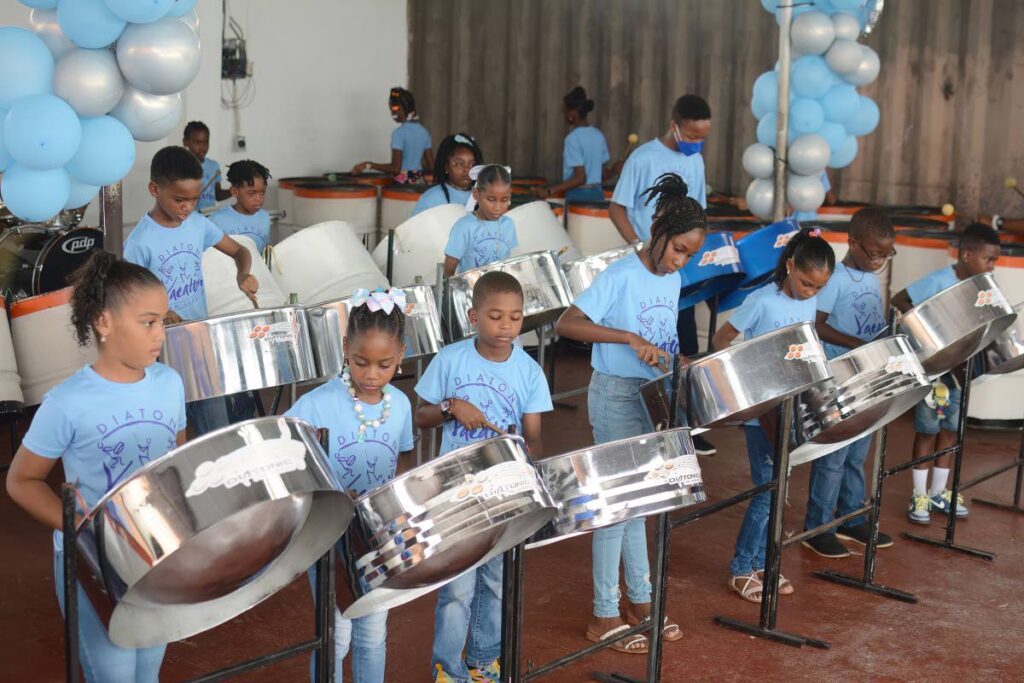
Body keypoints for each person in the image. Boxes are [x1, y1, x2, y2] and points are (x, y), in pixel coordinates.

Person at [6, 252, 187, 683]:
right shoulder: (67, 402)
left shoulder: (170, 384)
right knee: (114, 673)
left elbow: (176, 460)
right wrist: (82, 528)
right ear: (104, 322)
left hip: (155, 555)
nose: (160, 334)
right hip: (92, 560)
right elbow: (21, 481)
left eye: (163, 320)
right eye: (148, 322)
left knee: (148, 671)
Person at [556, 173, 706, 653]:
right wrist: (627, 338)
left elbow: (664, 337)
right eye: (678, 249)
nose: (681, 261)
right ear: (658, 231)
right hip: (616, 395)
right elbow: (568, 323)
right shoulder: (621, 274)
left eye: (689, 254)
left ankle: (640, 602)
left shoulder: (674, 278)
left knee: (642, 504)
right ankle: (604, 613)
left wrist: (676, 360)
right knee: (616, 506)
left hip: (652, 397)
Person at [415, 271, 552, 683]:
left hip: (501, 490)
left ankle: (483, 660)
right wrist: (451, 407)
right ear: (474, 316)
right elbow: (419, 418)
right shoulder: (451, 359)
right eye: (495, 316)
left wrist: (523, 450)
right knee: (457, 587)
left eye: (515, 317)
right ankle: (447, 668)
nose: (507, 326)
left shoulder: (529, 371)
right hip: (454, 491)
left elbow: (534, 439)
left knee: (494, 582)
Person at [286, 288, 414, 683]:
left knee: (373, 636)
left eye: (384, 364)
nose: (371, 374)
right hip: (330, 537)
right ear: (345, 348)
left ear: (401, 356)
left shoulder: (401, 405)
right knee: (335, 637)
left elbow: (406, 459)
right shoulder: (316, 404)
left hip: (378, 538)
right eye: (360, 362)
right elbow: (285, 455)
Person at [712, 228, 835, 603]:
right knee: (767, 492)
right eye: (805, 283)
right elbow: (721, 339)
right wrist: (747, 375)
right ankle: (741, 569)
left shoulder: (807, 304)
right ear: (791, 265)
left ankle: (764, 564)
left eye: (817, 288)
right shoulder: (761, 300)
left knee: (779, 492)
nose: (810, 292)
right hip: (762, 411)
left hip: (792, 407)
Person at [124, 145, 259, 435]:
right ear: (154, 189)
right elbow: (130, 305)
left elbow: (239, 252)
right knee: (173, 438)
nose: (187, 207)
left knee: (218, 431)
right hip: (161, 355)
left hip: (200, 346)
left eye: (194, 199)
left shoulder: (197, 224)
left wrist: (243, 273)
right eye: (179, 200)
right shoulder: (139, 243)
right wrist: (158, 314)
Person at [610, 94, 713, 455]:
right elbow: (617, 207)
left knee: (684, 343)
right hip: (648, 263)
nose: (697, 142)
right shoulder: (643, 158)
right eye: (692, 134)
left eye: (703, 136)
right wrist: (640, 246)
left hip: (676, 269)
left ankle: (687, 424)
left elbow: (697, 211)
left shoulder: (696, 160)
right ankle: (655, 420)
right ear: (674, 125)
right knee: (648, 340)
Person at [891, 223, 1002, 524]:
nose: (992, 267)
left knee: (951, 431)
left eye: (995, 261)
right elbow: (900, 299)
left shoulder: (983, 288)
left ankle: (939, 492)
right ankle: (919, 494)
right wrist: (928, 332)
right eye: (988, 259)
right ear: (967, 255)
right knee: (927, 431)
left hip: (960, 371)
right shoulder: (940, 280)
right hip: (937, 370)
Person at [802, 208, 896, 557]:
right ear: (853, 243)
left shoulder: (872, 278)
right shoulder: (835, 277)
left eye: (887, 255)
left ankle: (850, 518)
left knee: (858, 453)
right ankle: (818, 525)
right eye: (875, 253)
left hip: (867, 375)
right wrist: (859, 345)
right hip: (840, 375)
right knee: (834, 454)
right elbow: (817, 325)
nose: (879, 261)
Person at [533, 86, 610, 204]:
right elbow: (603, 175)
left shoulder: (572, 139)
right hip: (598, 194)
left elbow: (580, 178)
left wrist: (548, 191)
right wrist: (615, 170)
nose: (563, 115)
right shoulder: (598, 135)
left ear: (572, 114)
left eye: (564, 112)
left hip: (578, 196)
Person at [442, 164, 516, 277]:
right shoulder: (464, 226)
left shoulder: (508, 224)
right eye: (491, 199)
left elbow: (510, 263)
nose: (497, 207)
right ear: (476, 195)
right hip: (472, 292)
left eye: (504, 199)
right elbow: (449, 269)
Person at [353, 87, 433, 184]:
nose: (392, 113)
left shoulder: (399, 133)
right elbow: (431, 167)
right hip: (420, 182)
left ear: (400, 109)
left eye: (393, 110)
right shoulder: (424, 132)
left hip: (402, 185)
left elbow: (395, 168)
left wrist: (368, 165)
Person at [209, 159, 273, 254]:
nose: (258, 199)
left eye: (262, 193)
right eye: (251, 194)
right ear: (235, 191)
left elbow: (265, 252)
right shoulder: (216, 220)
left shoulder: (265, 218)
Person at [411, 133, 483, 216]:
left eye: (472, 164)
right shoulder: (431, 198)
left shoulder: (482, 196)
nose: (467, 169)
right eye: (459, 163)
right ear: (446, 166)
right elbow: (415, 227)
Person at [182, 121, 231, 210]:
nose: (203, 147)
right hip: (188, 216)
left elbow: (218, 195)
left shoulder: (214, 166)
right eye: (198, 142)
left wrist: (233, 191)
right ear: (185, 142)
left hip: (209, 214)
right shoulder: (180, 166)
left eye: (206, 142)